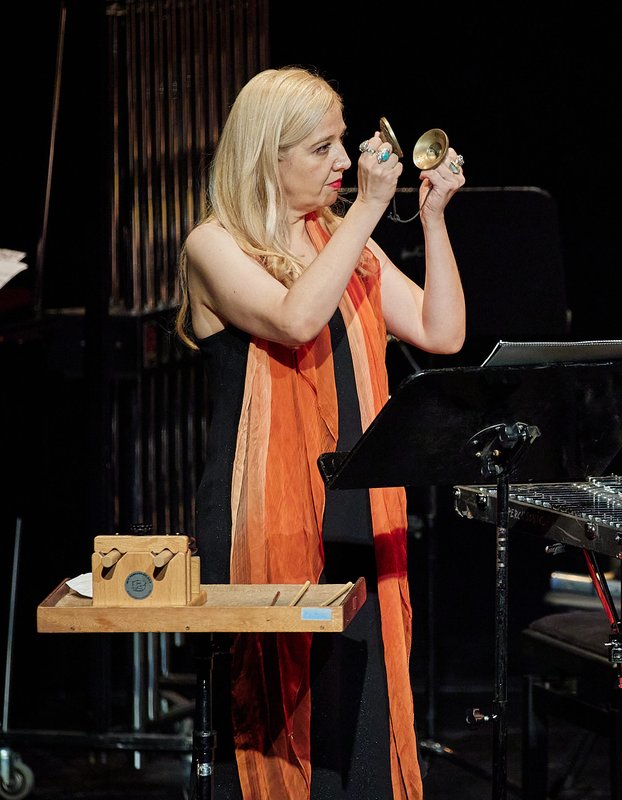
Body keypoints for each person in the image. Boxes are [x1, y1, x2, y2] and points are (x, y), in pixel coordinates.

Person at [175, 66, 466, 799]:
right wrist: (368, 212)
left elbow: (442, 330)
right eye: (322, 147)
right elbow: (294, 318)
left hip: (355, 508)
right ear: (268, 156)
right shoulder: (214, 246)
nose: (345, 161)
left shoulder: (340, 240)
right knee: (280, 726)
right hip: (265, 517)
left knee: (359, 729)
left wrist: (431, 220)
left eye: (343, 142)